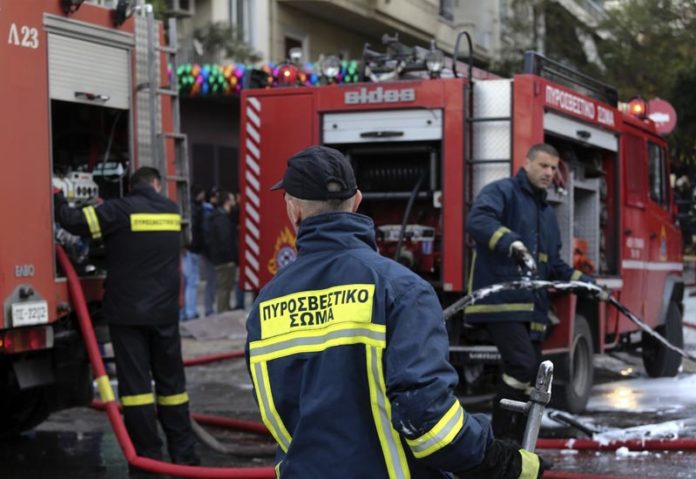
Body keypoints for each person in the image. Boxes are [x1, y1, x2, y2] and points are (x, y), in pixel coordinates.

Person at [245, 146, 543, 478]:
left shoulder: (265, 305)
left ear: (293, 210)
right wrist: (507, 463)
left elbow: (278, 415)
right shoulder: (400, 288)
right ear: (357, 201)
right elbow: (431, 427)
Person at [54, 167, 199, 468]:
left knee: (136, 392)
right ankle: (185, 457)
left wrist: (56, 196)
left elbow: (73, 222)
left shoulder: (118, 211)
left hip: (129, 315)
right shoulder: (171, 210)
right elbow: (140, 245)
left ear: (130, 186)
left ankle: (147, 459)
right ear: (157, 185)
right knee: (173, 388)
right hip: (164, 314)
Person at [466, 143, 598, 444]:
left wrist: (587, 283)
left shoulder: (545, 212)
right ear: (526, 164)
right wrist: (511, 243)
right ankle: (501, 442)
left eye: (554, 168)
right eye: (543, 166)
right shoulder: (502, 192)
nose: (549, 173)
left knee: (535, 374)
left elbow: (553, 266)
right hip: (502, 301)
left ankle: (520, 442)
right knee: (521, 364)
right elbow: (478, 220)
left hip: (532, 306)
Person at [208, 190, 239, 313]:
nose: (234, 202)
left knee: (226, 286)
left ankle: (225, 310)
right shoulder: (222, 219)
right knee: (224, 287)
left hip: (223, 259)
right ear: (227, 202)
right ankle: (222, 312)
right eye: (232, 200)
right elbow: (224, 240)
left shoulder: (220, 217)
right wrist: (231, 257)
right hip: (225, 260)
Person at [181, 185, 206, 321]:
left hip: (190, 249)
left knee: (188, 282)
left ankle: (186, 312)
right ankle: (190, 312)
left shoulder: (189, 207)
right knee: (191, 282)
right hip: (192, 250)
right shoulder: (195, 209)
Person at [201, 188, 219, 316]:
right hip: (209, 253)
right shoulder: (208, 213)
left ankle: (209, 308)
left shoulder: (207, 212)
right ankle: (209, 309)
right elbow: (208, 236)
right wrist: (211, 252)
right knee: (211, 281)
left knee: (212, 281)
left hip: (208, 252)